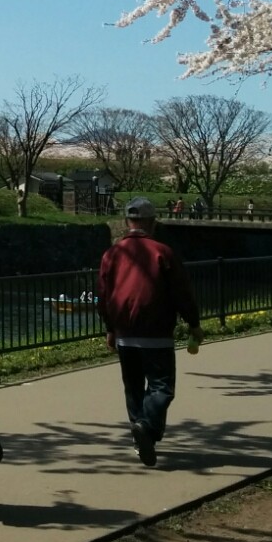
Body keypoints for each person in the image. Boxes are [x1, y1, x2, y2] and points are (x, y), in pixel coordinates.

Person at [96, 197, 201, 469]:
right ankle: (145, 426)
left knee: (133, 388)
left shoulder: (112, 254)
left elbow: (103, 295)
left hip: (124, 332)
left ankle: (141, 437)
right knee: (162, 387)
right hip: (156, 331)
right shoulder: (163, 252)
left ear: (127, 222)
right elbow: (181, 292)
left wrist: (109, 328)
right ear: (152, 222)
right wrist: (193, 323)